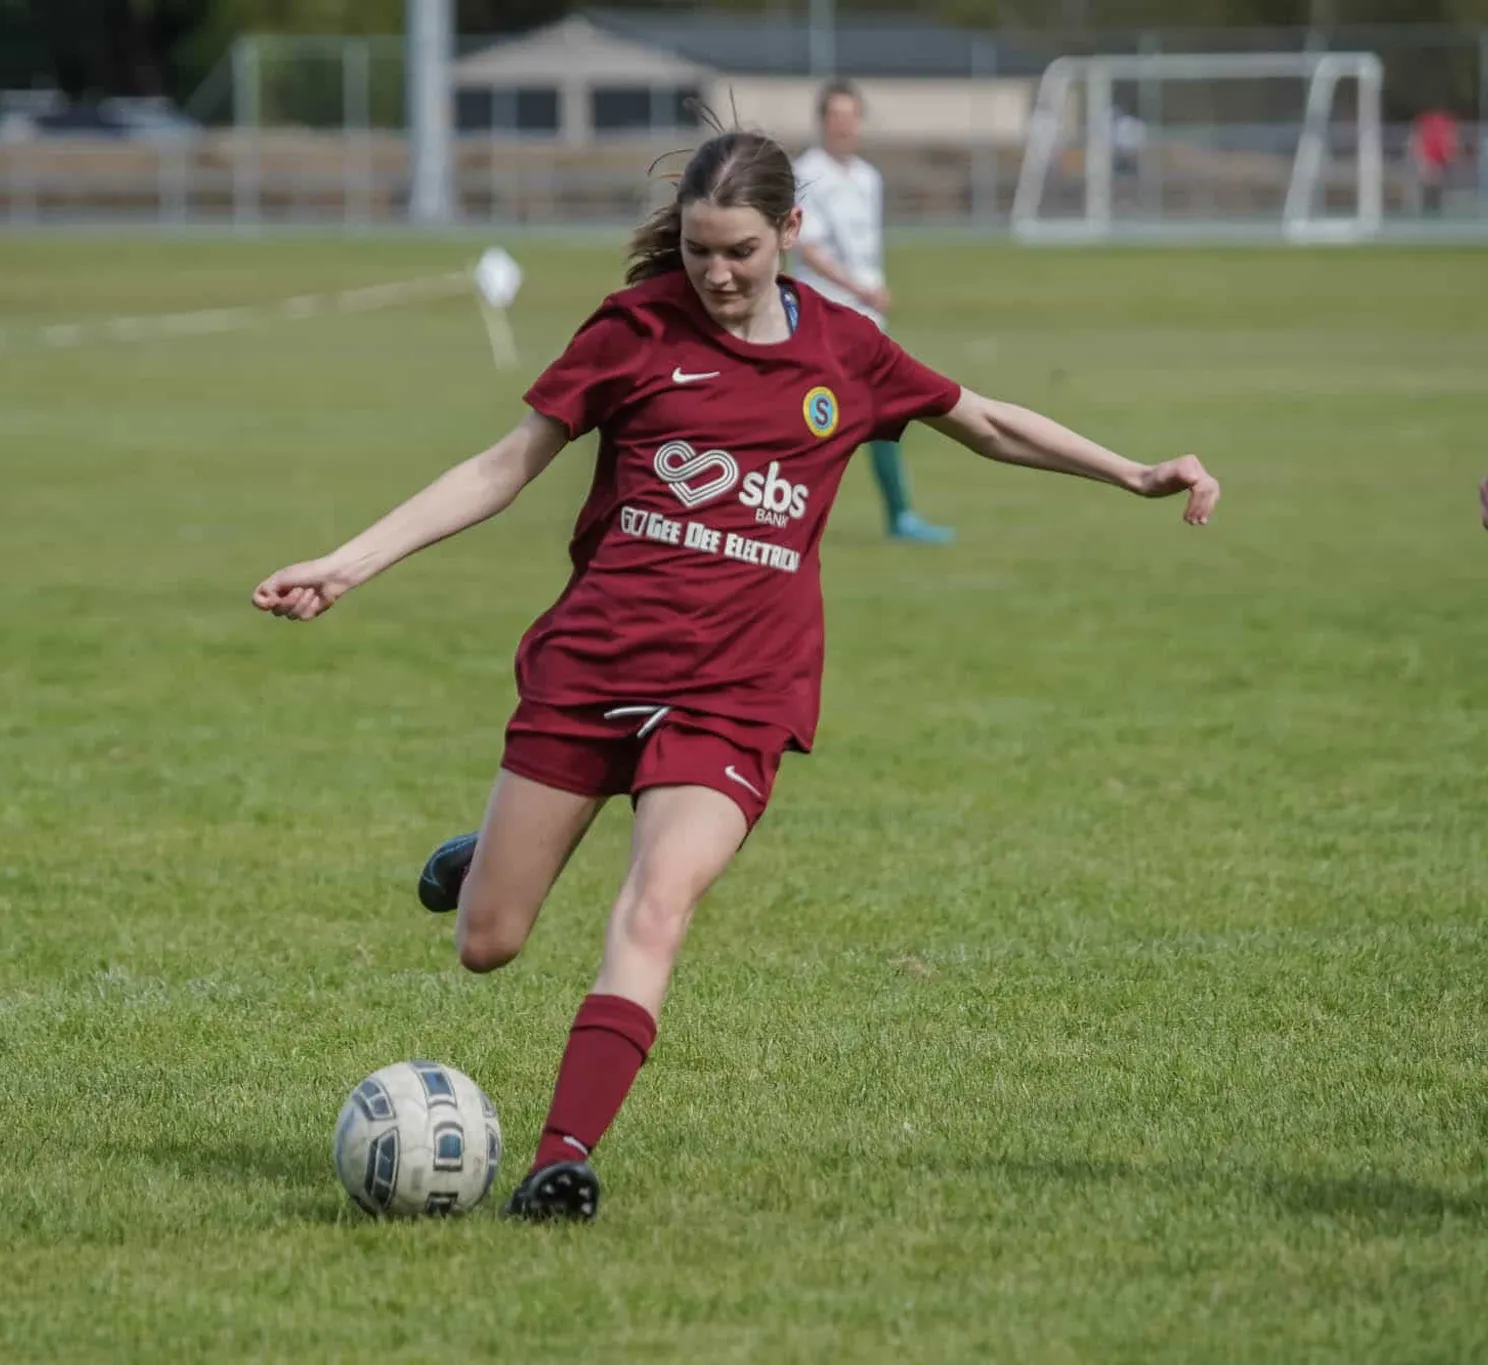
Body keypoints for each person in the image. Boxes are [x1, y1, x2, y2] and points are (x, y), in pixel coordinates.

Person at [251, 128, 1219, 1223]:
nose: (715, 274)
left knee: (654, 904)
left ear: (789, 234)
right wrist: (348, 562)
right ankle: (491, 856)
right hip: (597, 661)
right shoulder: (631, 330)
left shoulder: (845, 353)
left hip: (739, 688)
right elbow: (502, 466)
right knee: (488, 942)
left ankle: (559, 1159)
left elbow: (982, 419)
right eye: (699, 250)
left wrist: (1131, 471)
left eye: (740, 252)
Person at [792, 80, 952, 544]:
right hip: (824, 311)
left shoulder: (867, 177)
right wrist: (858, 288)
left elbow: (866, 248)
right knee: (816, 416)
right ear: (822, 122)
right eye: (835, 117)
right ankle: (784, 510)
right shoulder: (807, 172)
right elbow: (812, 249)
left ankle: (900, 516)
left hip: (866, 314)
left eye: (851, 116)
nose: (844, 126)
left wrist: (873, 289)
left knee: (881, 412)